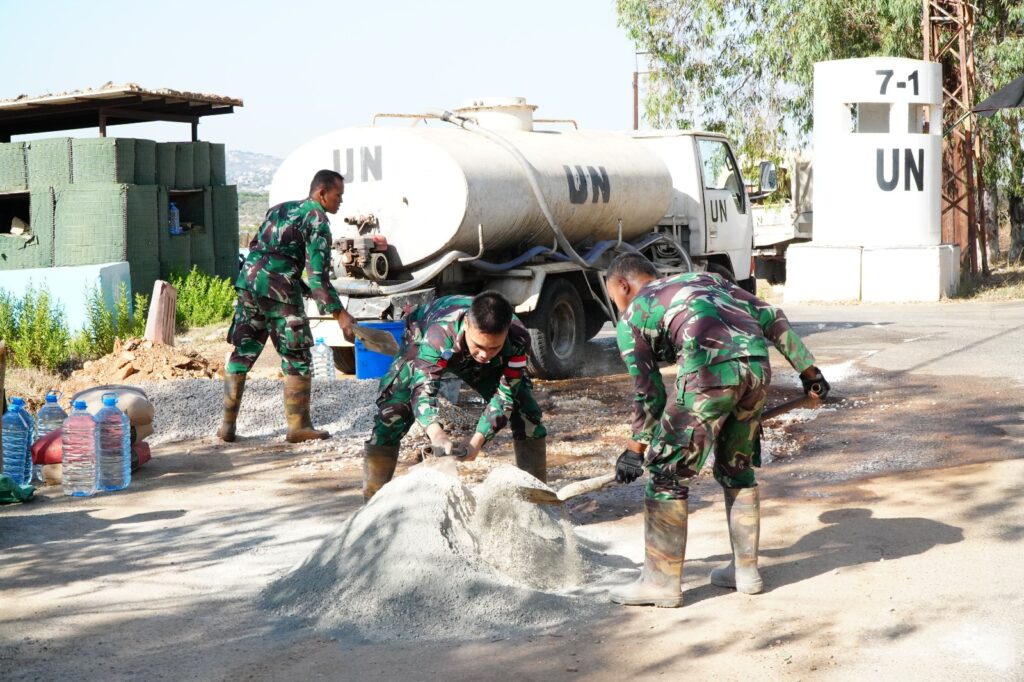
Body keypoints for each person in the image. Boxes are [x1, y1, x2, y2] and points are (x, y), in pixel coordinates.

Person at [604, 253, 829, 607]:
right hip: (756, 367)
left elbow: (649, 392)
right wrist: (809, 372)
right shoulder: (710, 281)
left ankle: (661, 583)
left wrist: (636, 448)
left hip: (707, 371)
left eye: (616, 299)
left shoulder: (636, 311)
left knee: (666, 473)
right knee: (736, 466)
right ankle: (746, 571)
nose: (619, 306)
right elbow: (772, 315)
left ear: (623, 284)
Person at [362, 291, 547, 500]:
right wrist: (437, 435)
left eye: (494, 347)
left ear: (505, 333)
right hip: (424, 332)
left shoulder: (518, 338)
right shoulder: (436, 335)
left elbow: (506, 396)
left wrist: (475, 442)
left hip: (463, 345)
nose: (485, 355)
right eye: (479, 346)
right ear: (467, 324)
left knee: (525, 410)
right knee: (393, 412)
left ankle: (537, 499)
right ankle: (371, 500)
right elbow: (423, 391)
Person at [217, 170, 355, 443]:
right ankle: (298, 426)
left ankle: (226, 426)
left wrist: (295, 283)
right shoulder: (317, 220)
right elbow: (318, 279)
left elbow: (259, 247)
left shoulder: (280, 209)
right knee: (297, 355)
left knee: (243, 350)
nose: (341, 201)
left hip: (248, 283)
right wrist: (341, 315)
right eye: (338, 195)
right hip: (278, 289)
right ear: (322, 193)